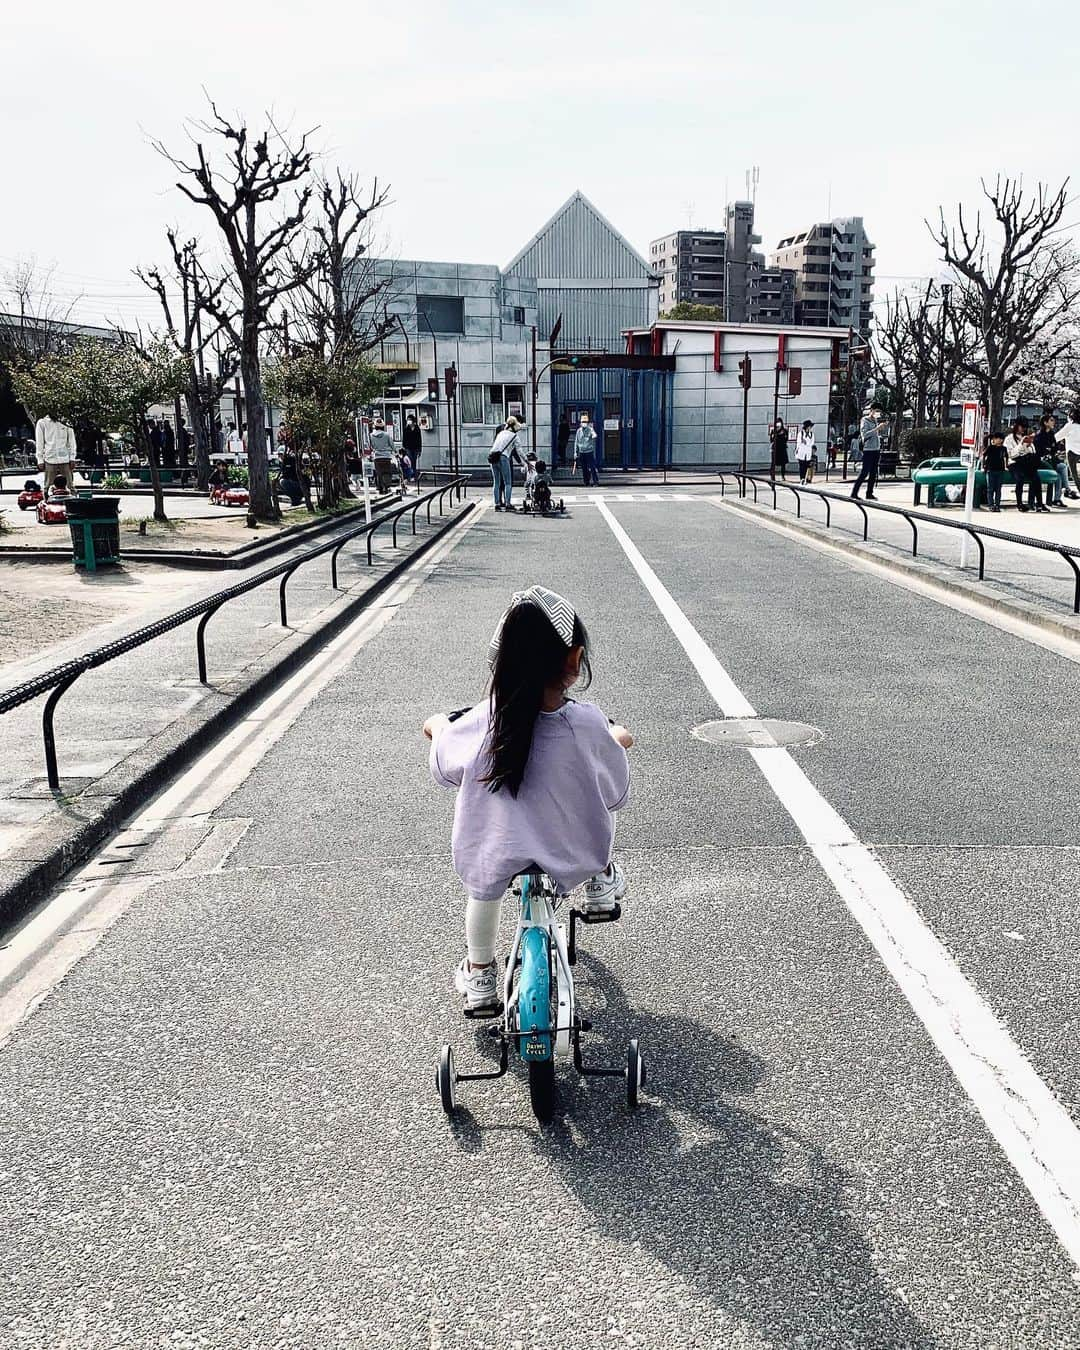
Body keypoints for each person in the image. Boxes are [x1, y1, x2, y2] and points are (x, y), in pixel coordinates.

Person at [423, 586, 633, 1012]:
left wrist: (437, 727)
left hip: (498, 853)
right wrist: (617, 740)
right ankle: (598, 881)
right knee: (594, 806)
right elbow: (615, 792)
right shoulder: (587, 724)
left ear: (501, 661)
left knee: (483, 892)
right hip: (571, 850)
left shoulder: (481, 721)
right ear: (574, 661)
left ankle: (481, 974)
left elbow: (444, 768)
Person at [1004, 417, 1047, 513]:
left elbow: (1033, 451)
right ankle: (1019, 503)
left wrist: (1028, 446)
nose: (1023, 429)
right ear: (1016, 426)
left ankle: (1039, 503)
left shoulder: (1027, 437)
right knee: (1020, 479)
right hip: (1015, 463)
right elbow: (1011, 455)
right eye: (1022, 426)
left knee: (1036, 478)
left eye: (1025, 427)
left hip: (1027, 462)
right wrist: (1021, 444)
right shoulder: (1009, 439)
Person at [35, 410, 77, 493]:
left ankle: (72, 503)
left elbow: (71, 441)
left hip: (65, 459)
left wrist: (72, 458)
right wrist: (40, 460)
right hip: (49, 459)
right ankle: (47, 503)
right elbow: (39, 443)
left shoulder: (66, 422)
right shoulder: (42, 423)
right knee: (48, 486)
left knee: (69, 486)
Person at [488, 415, 523, 511]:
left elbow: (495, 443)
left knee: (496, 482)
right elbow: (517, 450)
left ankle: (497, 504)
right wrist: (523, 462)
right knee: (508, 482)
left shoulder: (500, 431)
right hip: (504, 457)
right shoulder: (513, 434)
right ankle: (508, 503)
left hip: (493, 456)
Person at [1034, 412, 1067, 508]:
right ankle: (1062, 494)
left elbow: (1054, 448)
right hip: (1042, 461)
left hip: (1051, 460)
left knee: (1061, 470)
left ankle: (1058, 497)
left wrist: (1052, 451)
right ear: (1045, 422)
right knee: (1060, 471)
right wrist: (1048, 450)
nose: (1054, 422)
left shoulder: (1052, 434)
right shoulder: (1039, 435)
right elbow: (1039, 450)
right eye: (1051, 420)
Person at [851, 403, 883, 500]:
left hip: (876, 449)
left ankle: (869, 493)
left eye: (879, 412)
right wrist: (877, 428)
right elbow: (865, 434)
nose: (878, 413)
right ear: (872, 410)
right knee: (864, 472)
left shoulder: (875, 420)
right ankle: (854, 492)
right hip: (868, 449)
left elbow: (874, 434)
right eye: (877, 411)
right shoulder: (865, 420)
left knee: (873, 473)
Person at [1055, 406, 1080, 500]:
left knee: (1075, 475)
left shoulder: (1070, 425)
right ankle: (1067, 489)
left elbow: (1057, 437)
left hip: (1072, 453)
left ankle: (1070, 490)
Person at [982, 428, 1007, 512]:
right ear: (994, 439)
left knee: (998, 489)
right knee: (990, 489)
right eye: (997, 438)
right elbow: (984, 456)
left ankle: (997, 505)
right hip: (990, 470)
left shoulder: (1004, 448)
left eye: (1000, 439)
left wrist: (1006, 466)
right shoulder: (990, 448)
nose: (999, 440)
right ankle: (991, 505)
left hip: (1000, 470)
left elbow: (1006, 457)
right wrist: (983, 466)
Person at [369, 418, 396, 494]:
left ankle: (380, 487)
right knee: (387, 472)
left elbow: (370, 446)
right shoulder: (386, 435)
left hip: (377, 456)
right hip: (386, 456)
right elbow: (392, 445)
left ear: (375, 426)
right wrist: (395, 452)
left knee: (378, 473)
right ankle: (386, 486)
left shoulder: (371, 435)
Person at [572, 413, 599, 487]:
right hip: (581, 452)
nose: (584, 423)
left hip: (589, 452)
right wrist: (575, 452)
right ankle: (586, 482)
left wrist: (593, 435)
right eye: (583, 422)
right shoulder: (579, 431)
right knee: (584, 468)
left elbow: (594, 435)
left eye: (585, 422)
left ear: (587, 422)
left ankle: (595, 482)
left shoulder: (590, 429)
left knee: (592, 467)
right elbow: (576, 442)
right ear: (580, 423)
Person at [402, 415, 422, 487]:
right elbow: (404, 439)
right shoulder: (406, 429)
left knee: (414, 461)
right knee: (409, 461)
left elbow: (419, 439)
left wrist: (420, 449)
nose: (409, 421)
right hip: (408, 448)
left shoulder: (417, 428)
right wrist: (404, 447)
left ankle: (413, 476)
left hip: (416, 447)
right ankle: (410, 476)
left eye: (410, 420)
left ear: (413, 421)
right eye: (408, 420)